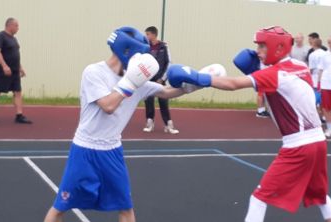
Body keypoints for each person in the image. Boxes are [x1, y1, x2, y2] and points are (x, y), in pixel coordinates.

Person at [42, 26, 224, 222]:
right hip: (85, 150)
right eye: (140, 53)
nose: (142, 58)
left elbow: (166, 92)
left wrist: (194, 85)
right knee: (61, 206)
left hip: (112, 151)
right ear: (126, 50)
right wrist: (131, 82)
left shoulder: (138, 81)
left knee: (126, 208)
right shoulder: (94, 72)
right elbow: (108, 105)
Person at [168, 26, 331, 222]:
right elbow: (280, 89)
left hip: (298, 145)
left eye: (262, 46)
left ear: (278, 48)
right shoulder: (300, 66)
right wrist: (258, 67)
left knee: (259, 198)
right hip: (318, 142)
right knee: (320, 197)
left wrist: (197, 76)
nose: (257, 51)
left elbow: (233, 84)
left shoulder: (274, 75)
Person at [0, 17, 32, 124]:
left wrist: (20, 68)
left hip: (14, 71)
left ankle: (19, 115)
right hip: (2, 70)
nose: (18, 28)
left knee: (17, 92)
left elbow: (15, 55)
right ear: (9, 25)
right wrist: (4, 66)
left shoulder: (14, 39)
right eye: (16, 26)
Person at [142, 26, 179, 134]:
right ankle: (149, 123)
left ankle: (168, 125)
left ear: (154, 34)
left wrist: (162, 78)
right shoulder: (145, 47)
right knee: (149, 102)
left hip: (160, 80)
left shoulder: (164, 46)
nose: (146, 36)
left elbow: (169, 63)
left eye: (148, 34)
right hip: (148, 80)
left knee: (163, 102)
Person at [309, 38, 327, 121]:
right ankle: (323, 116)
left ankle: (315, 117)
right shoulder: (326, 54)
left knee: (314, 99)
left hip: (315, 78)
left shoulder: (312, 55)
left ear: (313, 44)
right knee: (323, 99)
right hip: (325, 78)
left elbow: (311, 69)